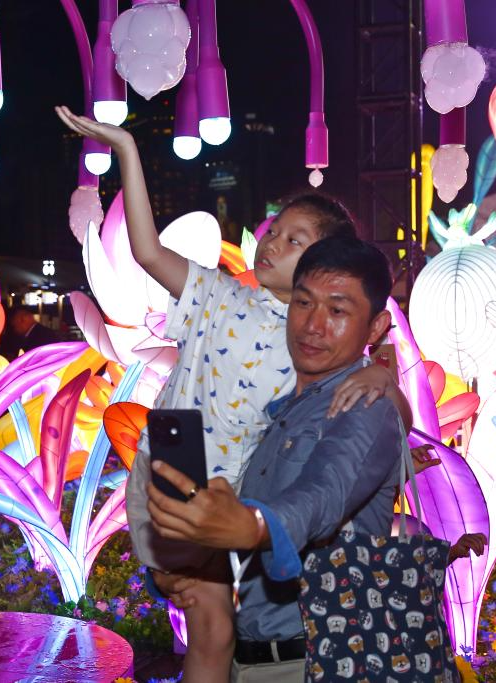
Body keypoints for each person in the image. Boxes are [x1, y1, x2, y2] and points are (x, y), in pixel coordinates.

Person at [56, 107, 409, 683]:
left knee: (216, 634)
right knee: (211, 626)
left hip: (232, 491)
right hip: (176, 458)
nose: (272, 243)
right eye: (274, 231)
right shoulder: (219, 294)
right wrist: (127, 151)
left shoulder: (311, 340)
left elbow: (379, 421)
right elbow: (148, 251)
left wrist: (383, 376)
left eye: (294, 240)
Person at [146, 238, 484, 681]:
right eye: (304, 303)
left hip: (321, 663)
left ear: (376, 327)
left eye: (338, 310)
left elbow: (323, 495)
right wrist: (181, 569)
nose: (313, 325)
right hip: (250, 661)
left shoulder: (367, 407)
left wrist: (254, 526)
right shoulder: (276, 405)